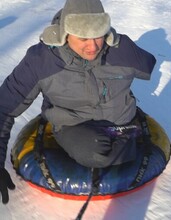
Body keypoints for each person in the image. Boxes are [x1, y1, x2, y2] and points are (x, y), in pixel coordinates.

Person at [0, 0, 156, 204]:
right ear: (65, 33)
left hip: (120, 121)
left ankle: (124, 137)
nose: (92, 46)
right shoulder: (41, 61)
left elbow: (148, 65)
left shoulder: (119, 49)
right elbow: (4, 108)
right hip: (73, 125)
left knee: (123, 146)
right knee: (96, 154)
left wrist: (123, 46)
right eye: (83, 37)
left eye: (98, 34)